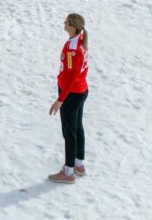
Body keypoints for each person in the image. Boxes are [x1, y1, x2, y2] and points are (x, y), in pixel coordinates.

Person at [48, 13, 89, 184]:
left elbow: (71, 76)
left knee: (69, 133)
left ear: (72, 26)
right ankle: (78, 164)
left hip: (71, 94)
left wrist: (60, 99)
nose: (63, 23)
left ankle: (68, 172)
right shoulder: (79, 41)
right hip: (80, 90)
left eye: (66, 22)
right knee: (77, 128)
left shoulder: (72, 49)